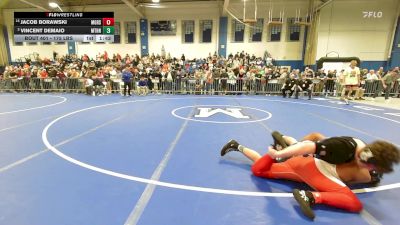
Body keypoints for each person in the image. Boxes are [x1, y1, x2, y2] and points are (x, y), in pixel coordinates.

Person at [220, 131, 399, 220]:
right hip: (314, 167)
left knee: (259, 169)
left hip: (299, 165)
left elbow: (311, 144)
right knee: (353, 202)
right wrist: (281, 154)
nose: (367, 168)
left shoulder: (365, 153)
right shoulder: (343, 148)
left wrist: (277, 154)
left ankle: (239, 146)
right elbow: (310, 144)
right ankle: (310, 196)